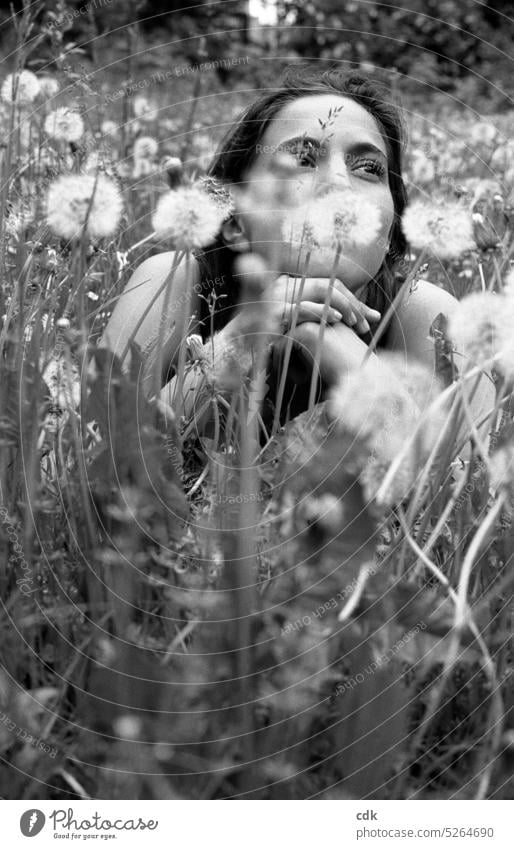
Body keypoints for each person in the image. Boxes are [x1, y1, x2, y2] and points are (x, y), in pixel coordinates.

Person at [100, 67, 495, 459]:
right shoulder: (175, 280)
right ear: (235, 222)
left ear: (391, 230)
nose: (339, 182)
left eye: (369, 169)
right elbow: (85, 456)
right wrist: (244, 337)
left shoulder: (424, 313)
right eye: (303, 158)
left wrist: (339, 351)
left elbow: (466, 492)